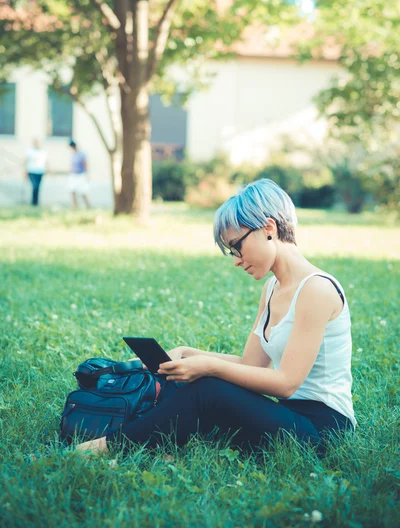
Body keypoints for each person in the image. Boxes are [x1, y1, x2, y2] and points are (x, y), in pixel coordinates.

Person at [77, 178, 356, 455]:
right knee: (185, 380)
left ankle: (101, 449)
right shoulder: (273, 288)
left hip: (323, 430)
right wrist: (188, 354)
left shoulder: (316, 289)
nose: (236, 259)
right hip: (288, 417)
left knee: (207, 386)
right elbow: (251, 363)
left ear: (269, 228)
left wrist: (209, 366)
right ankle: (158, 446)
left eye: (237, 246)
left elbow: (286, 383)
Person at [68, 140, 90, 209]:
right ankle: (75, 206)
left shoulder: (81, 154)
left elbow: (85, 164)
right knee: (72, 190)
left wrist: (86, 174)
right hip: (73, 175)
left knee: (83, 191)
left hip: (81, 175)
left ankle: (88, 206)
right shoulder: (73, 154)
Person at [24, 138, 47, 206]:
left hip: (40, 171)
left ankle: (36, 202)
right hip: (31, 171)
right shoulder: (29, 151)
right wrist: (24, 171)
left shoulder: (43, 151)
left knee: (38, 187)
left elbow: (45, 162)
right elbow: (26, 160)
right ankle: (33, 202)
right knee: (35, 186)